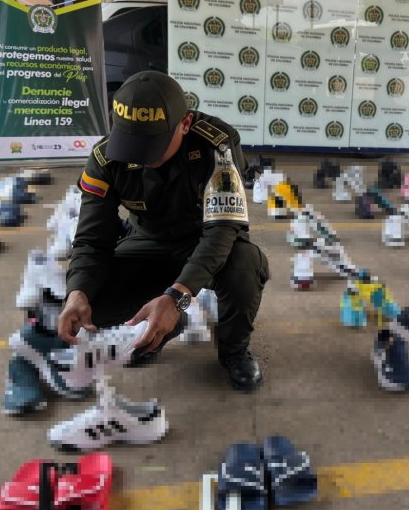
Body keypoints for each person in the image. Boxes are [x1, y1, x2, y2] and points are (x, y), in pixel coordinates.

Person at [57, 71, 270, 391]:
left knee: (244, 265)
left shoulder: (218, 145)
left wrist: (178, 296)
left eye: (151, 146)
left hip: (205, 239)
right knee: (90, 302)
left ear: (184, 124)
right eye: (131, 144)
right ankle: (165, 326)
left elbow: (223, 231)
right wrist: (77, 292)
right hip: (148, 241)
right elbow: (92, 238)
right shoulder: (105, 158)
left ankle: (234, 351)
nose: (140, 158)